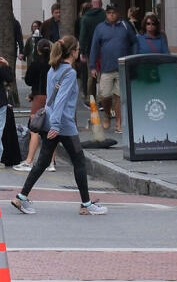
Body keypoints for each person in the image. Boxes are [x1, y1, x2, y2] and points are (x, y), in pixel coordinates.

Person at [12, 36, 107, 216]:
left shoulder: (53, 69)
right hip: (63, 123)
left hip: (50, 120)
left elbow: (51, 99)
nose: (79, 52)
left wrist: (52, 123)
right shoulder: (69, 73)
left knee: (42, 162)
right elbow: (61, 99)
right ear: (72, 52)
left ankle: (21, 197)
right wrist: (56, 124)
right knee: (79, 161)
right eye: (78, 49)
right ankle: (86, 205)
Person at [87, 1, 136, 139]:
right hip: (106, 67)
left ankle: (119, 123)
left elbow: (134, 42)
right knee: (105, 95)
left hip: (122, 66)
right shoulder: (100, 28)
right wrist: (92, 66)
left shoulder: (125, 26)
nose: (112, 15)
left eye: (114, 12)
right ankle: (107, 113)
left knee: (119, 96)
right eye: (109, 13)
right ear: (106, 14)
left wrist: (133, 59)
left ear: (118, 13)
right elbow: (94, 47)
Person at [22, 29, 51, 170]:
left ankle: (29, 160)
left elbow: (28, 80)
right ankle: (51, 162)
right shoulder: (54, 64)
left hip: (39, 96)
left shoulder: (35, 64)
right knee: (50, 130)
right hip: (51, 97)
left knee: (34, 128)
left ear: (37, 50)